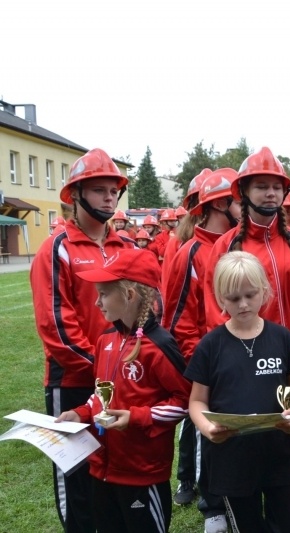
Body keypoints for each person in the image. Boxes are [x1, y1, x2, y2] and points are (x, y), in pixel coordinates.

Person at [31, 148, 135, 533]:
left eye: (114, 190)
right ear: (75, 195)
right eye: (99, 190)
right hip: (74, 384)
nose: (109, 197)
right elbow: (57, 328)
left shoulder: (126, 247)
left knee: (113, 474)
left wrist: (130, 365)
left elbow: (140, 313)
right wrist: (106, 368)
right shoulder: (56, 248)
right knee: (76, 478)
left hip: (121, 380)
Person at [56, 248, 190, 533]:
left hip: (142, 474)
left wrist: (137, 417)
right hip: (102, 472)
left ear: (129, 295)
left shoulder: (160, 346)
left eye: (103, 294)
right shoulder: (104, 340)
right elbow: (100, 394)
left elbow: (185, 401)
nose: (96, 303)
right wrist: (79, 413)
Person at [186, 251, 290, 533]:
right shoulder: (210, 345)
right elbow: (196, 401)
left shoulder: (281, 337)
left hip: (278, 453)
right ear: (220, 298)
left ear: (264, 291)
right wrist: (208, 428)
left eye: (250, 295)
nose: (242, 304)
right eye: (233, 298)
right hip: (232, 459)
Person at [160, 168, 240, 532]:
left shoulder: (239, 245)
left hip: (244, 363)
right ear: (221, 204)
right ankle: (212, 508)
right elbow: (180, 320)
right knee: (208, 437)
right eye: (237, 199)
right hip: (210, 366)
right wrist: (202, 363)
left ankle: (237, 499)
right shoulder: (190, 252)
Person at [204, 146, 290, 379]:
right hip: (243, 370)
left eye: (277, 187)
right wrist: (238, 361)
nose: (271, 193)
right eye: (261, 187)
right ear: (243, 192)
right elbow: (217, 312)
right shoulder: (225, 247)